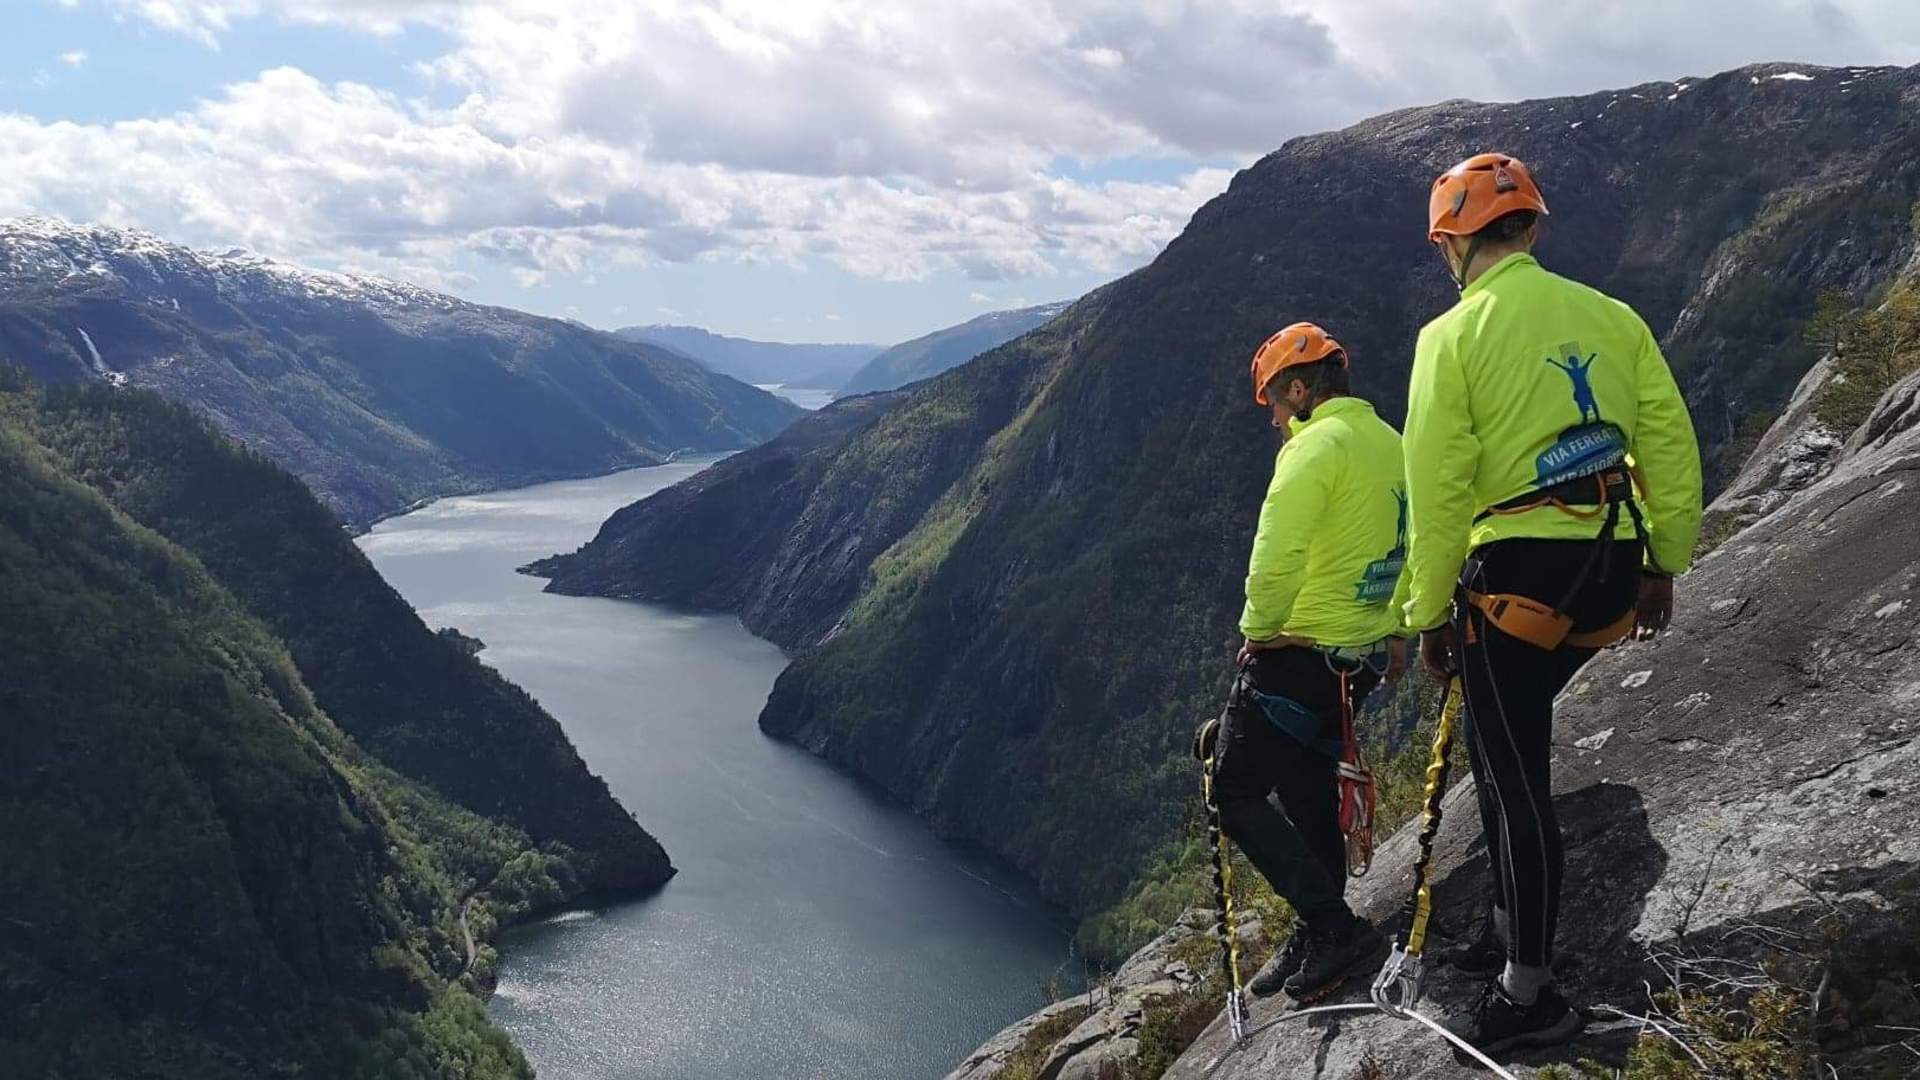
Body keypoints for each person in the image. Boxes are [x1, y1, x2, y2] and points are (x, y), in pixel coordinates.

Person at [1401, 153, 1703, 1053]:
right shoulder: (1613, 318)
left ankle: (1528, 996)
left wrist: (1425, 614)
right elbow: (1669, 449)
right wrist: (1663, 564)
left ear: (1451, 244)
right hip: (1611, 564)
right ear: (1531, 228)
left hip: (1515, 582)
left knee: (1511, 773)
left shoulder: (1450, 338)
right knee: (1510, 753)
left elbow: (1440, 488)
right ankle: (1504, 927)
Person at [1213, 321, 1412, 1002]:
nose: (1272, 418)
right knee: (1305, 792)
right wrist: (1398, 628)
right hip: (1357, 665)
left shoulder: (1312, 449)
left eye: (1273, 400)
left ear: (1300, 389)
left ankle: (1334, 927)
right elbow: (1410, 539)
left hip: (1294, 659)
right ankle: (1319, 922)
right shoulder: (1392, 443)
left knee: (1233, 794)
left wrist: (1257, 634)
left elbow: (1275, 561)